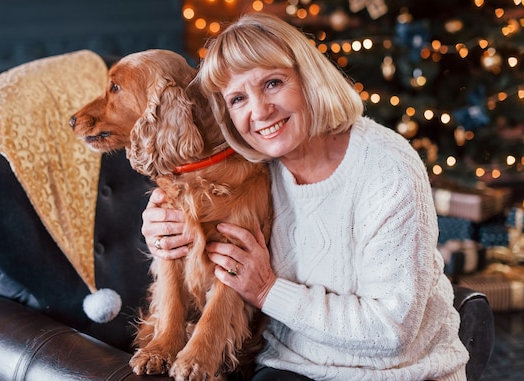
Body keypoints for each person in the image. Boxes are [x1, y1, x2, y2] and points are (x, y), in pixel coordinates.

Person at [141, 12, 469, 381]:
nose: (259, 112)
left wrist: (267, 290)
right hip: (286, 367)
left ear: (308, 78)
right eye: (237, 99)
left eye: (272, 83)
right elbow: (196, 236)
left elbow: (390, 333)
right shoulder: (257, 169)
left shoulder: (387, 169)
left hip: (399, 373)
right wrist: (163, 229)